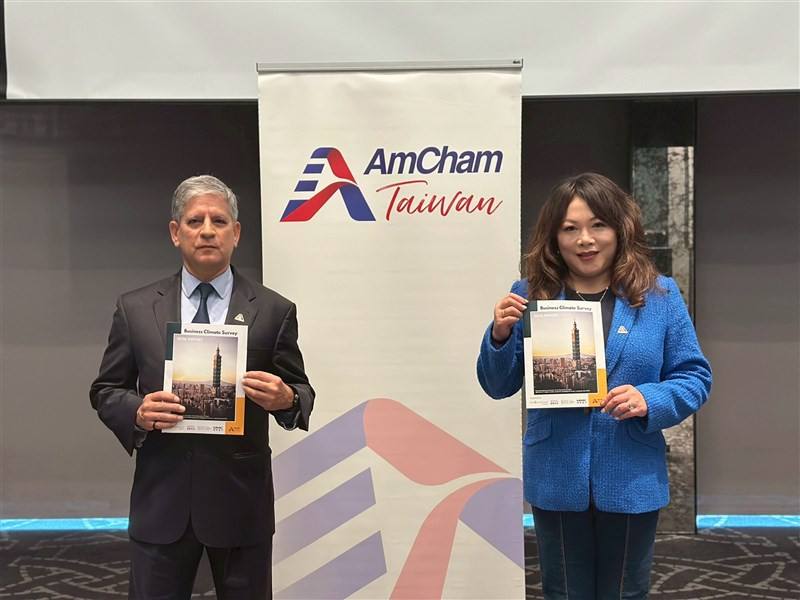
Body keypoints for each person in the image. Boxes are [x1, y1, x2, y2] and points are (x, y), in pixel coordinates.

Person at [477, 172, 711, 599]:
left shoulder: (659, 296)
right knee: (564, 591)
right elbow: (497, 385)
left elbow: (694, 377)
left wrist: (649, 398)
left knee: (625, 591)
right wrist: (499, 336)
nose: (585, 239)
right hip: (556, 473)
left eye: (598, 225)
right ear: (554, 237)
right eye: (570, 229)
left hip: (631, 475)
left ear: (620, 230)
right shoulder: (530, 295)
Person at [90, 175, 314, 599]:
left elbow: (301, 392)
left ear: (236, 233)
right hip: (162, 501)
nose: (207, 230)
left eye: (219, 220)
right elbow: (106, 390)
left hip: (239, 504)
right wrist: (136, 412)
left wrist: (286, 399)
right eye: (195, 221)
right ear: (176, 233)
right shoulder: (135, 308)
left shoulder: (273, 310)